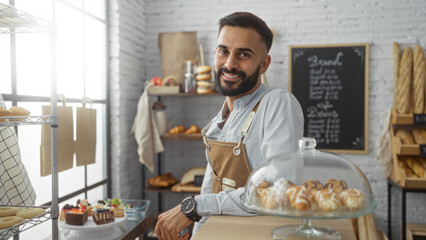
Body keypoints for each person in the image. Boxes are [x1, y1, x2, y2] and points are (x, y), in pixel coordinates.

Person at [155, 12, 304, 240]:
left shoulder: (278, 103)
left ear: (264, 64)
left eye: (243, 55)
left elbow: (277, 191)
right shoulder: (218, 123)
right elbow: (209, 192)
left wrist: (195, 205)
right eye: (223, 51)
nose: (229, 64)